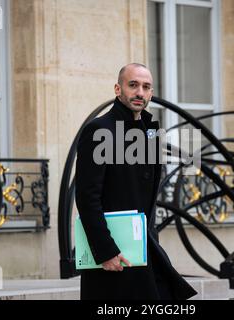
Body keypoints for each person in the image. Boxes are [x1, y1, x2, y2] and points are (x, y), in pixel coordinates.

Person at [75, 63, 197, 300]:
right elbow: (87, 197)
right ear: (118, 89)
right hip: (114, 254)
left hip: (143, 248)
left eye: (146, 87)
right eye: (133, 85)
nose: (140, 92)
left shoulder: (150, 133)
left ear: (151, 93)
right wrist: (105, 251)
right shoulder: (99, 129)